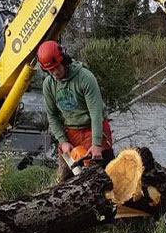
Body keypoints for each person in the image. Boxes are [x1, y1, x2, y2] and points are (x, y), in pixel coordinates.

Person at [37, 40, 114, 183]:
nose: (54, 73)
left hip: (92, 128)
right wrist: (63, 141)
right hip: (70, 132)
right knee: (65, 180)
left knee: (101, 177)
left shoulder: (85, 78)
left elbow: (96, 113)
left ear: (63, 60)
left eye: (56, 67)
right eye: (50, 70)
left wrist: (96, 144)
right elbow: (52, 116)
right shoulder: (49, 84)